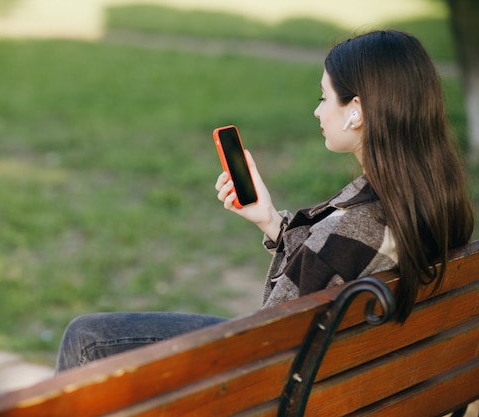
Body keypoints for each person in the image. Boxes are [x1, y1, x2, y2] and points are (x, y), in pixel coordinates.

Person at [55, 30, 474, 373]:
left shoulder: (350, 230)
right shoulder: (437, 202)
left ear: (356, 112)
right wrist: (271, 221)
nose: (317, 111)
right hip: (370, 386)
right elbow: (326, 265)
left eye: (324, 97)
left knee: (86, 338)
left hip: (283, 388)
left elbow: (265, 342)